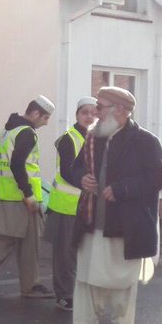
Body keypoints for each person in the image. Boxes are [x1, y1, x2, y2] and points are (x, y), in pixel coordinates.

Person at [63, 87, 162, 324]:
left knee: (123, 284)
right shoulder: (93, 138)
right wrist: (81, 178)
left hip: (125, 226)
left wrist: (123, 189)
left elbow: (159, 178)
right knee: (88, 280)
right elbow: (75, 167)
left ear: (119, 110)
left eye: (100, 107)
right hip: (91, 222)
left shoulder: (145, 141)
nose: (96, 112)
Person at [0, 96, 56, 299]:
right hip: (22, 198)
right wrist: (28, 194)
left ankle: (20, 283)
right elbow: (17, 165)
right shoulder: (27, 133)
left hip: (7, 194)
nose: (46, 123)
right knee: (21, 242)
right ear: (35, 113)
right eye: (45, 118)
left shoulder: (7, 131)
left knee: (12, 240)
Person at [46, 97, 98, 311]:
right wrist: (86, 183)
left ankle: (81, 292)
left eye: (94, 112)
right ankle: (65, 295)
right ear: (77, 115)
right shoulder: (68, 138)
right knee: (65, 255)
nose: (89, 116)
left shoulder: (98, 138)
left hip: (89, 206)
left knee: (86, 253)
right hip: (66, 205)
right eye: (85, 112)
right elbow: (68, 171)